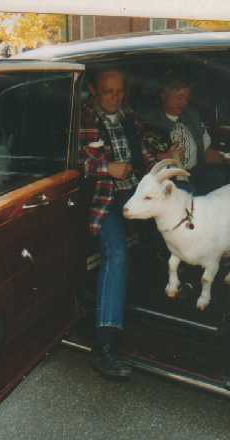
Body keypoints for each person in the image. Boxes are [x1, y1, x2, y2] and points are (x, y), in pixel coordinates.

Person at [79, 68, 156, 381]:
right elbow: (73, 160)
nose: (115, 97)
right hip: (103, 200)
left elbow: (146, 155)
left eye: (120, 91)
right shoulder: (84, 119)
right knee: (117, 253)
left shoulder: (129, 118)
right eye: (108, 92)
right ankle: (104, 346)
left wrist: (165, 166)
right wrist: (106, 167)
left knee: (164, 232)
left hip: (134, 194)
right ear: (94, 91)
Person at [142, 69, 230, 195]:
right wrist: (162, 158)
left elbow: (204, 152)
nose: (184, 102)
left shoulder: (192, 116)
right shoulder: (150, 121)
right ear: (163, 95)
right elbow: (143, 159)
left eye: (186, 98)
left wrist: (224, 157)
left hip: (194, 173)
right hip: (168, 178)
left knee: (218, 177)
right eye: (179, 97)